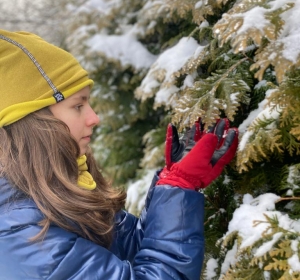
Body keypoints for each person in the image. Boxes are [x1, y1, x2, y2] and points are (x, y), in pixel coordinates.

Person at [0, 29, 238, 279]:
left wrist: (173, 187)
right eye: (78, 106)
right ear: (32, 120)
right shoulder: (19, 231)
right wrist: (180, 186)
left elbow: (132, 251)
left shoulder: (56, 189)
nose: (94, 118)